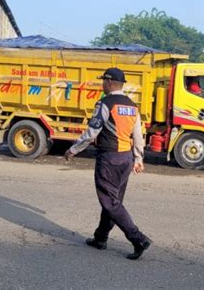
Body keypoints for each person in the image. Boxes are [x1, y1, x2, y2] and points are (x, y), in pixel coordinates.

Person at [64, 67, 151, 260]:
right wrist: (138, 159)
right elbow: (138, 135)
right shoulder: (132, 106)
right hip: (126, 159)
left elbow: (92, 132)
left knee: (111, 203)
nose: (102, 84)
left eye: (103, 81)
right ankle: (101, 238)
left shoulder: (105, 104)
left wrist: (73, 149)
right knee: (113, 201)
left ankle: (138, 239)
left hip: (109, 159)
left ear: (110, 83)